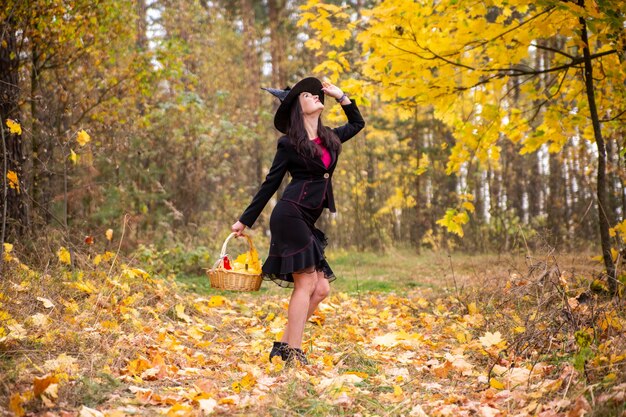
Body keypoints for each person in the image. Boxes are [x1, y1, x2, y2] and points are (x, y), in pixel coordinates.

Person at [231, 77, 365, 365]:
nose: (317, 96)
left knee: (322, 288)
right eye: (308, 94)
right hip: (290, 214)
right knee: (305, 284)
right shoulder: (289, 144)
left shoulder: (329, 137)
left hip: (307, 217)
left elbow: (357, 124)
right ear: (296, 107)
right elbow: (271, 183)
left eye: (318, 95)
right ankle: (294, 351)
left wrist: (342, 97)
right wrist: (245, 220)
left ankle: (282, 344)